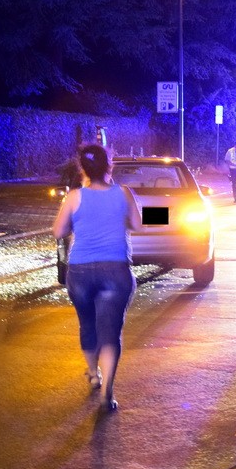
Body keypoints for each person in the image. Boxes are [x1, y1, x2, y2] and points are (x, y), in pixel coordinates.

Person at [52, 144, 141, 412]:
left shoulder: (74, 197)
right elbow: (137, 225)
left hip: (80, 272)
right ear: (109, 166)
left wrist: (75, 225)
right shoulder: (123, 193)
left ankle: (93, 374)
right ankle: (107, 394)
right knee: (111, 333)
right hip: (115, 269)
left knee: (87, 325)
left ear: (82, 169)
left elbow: (58, 231)